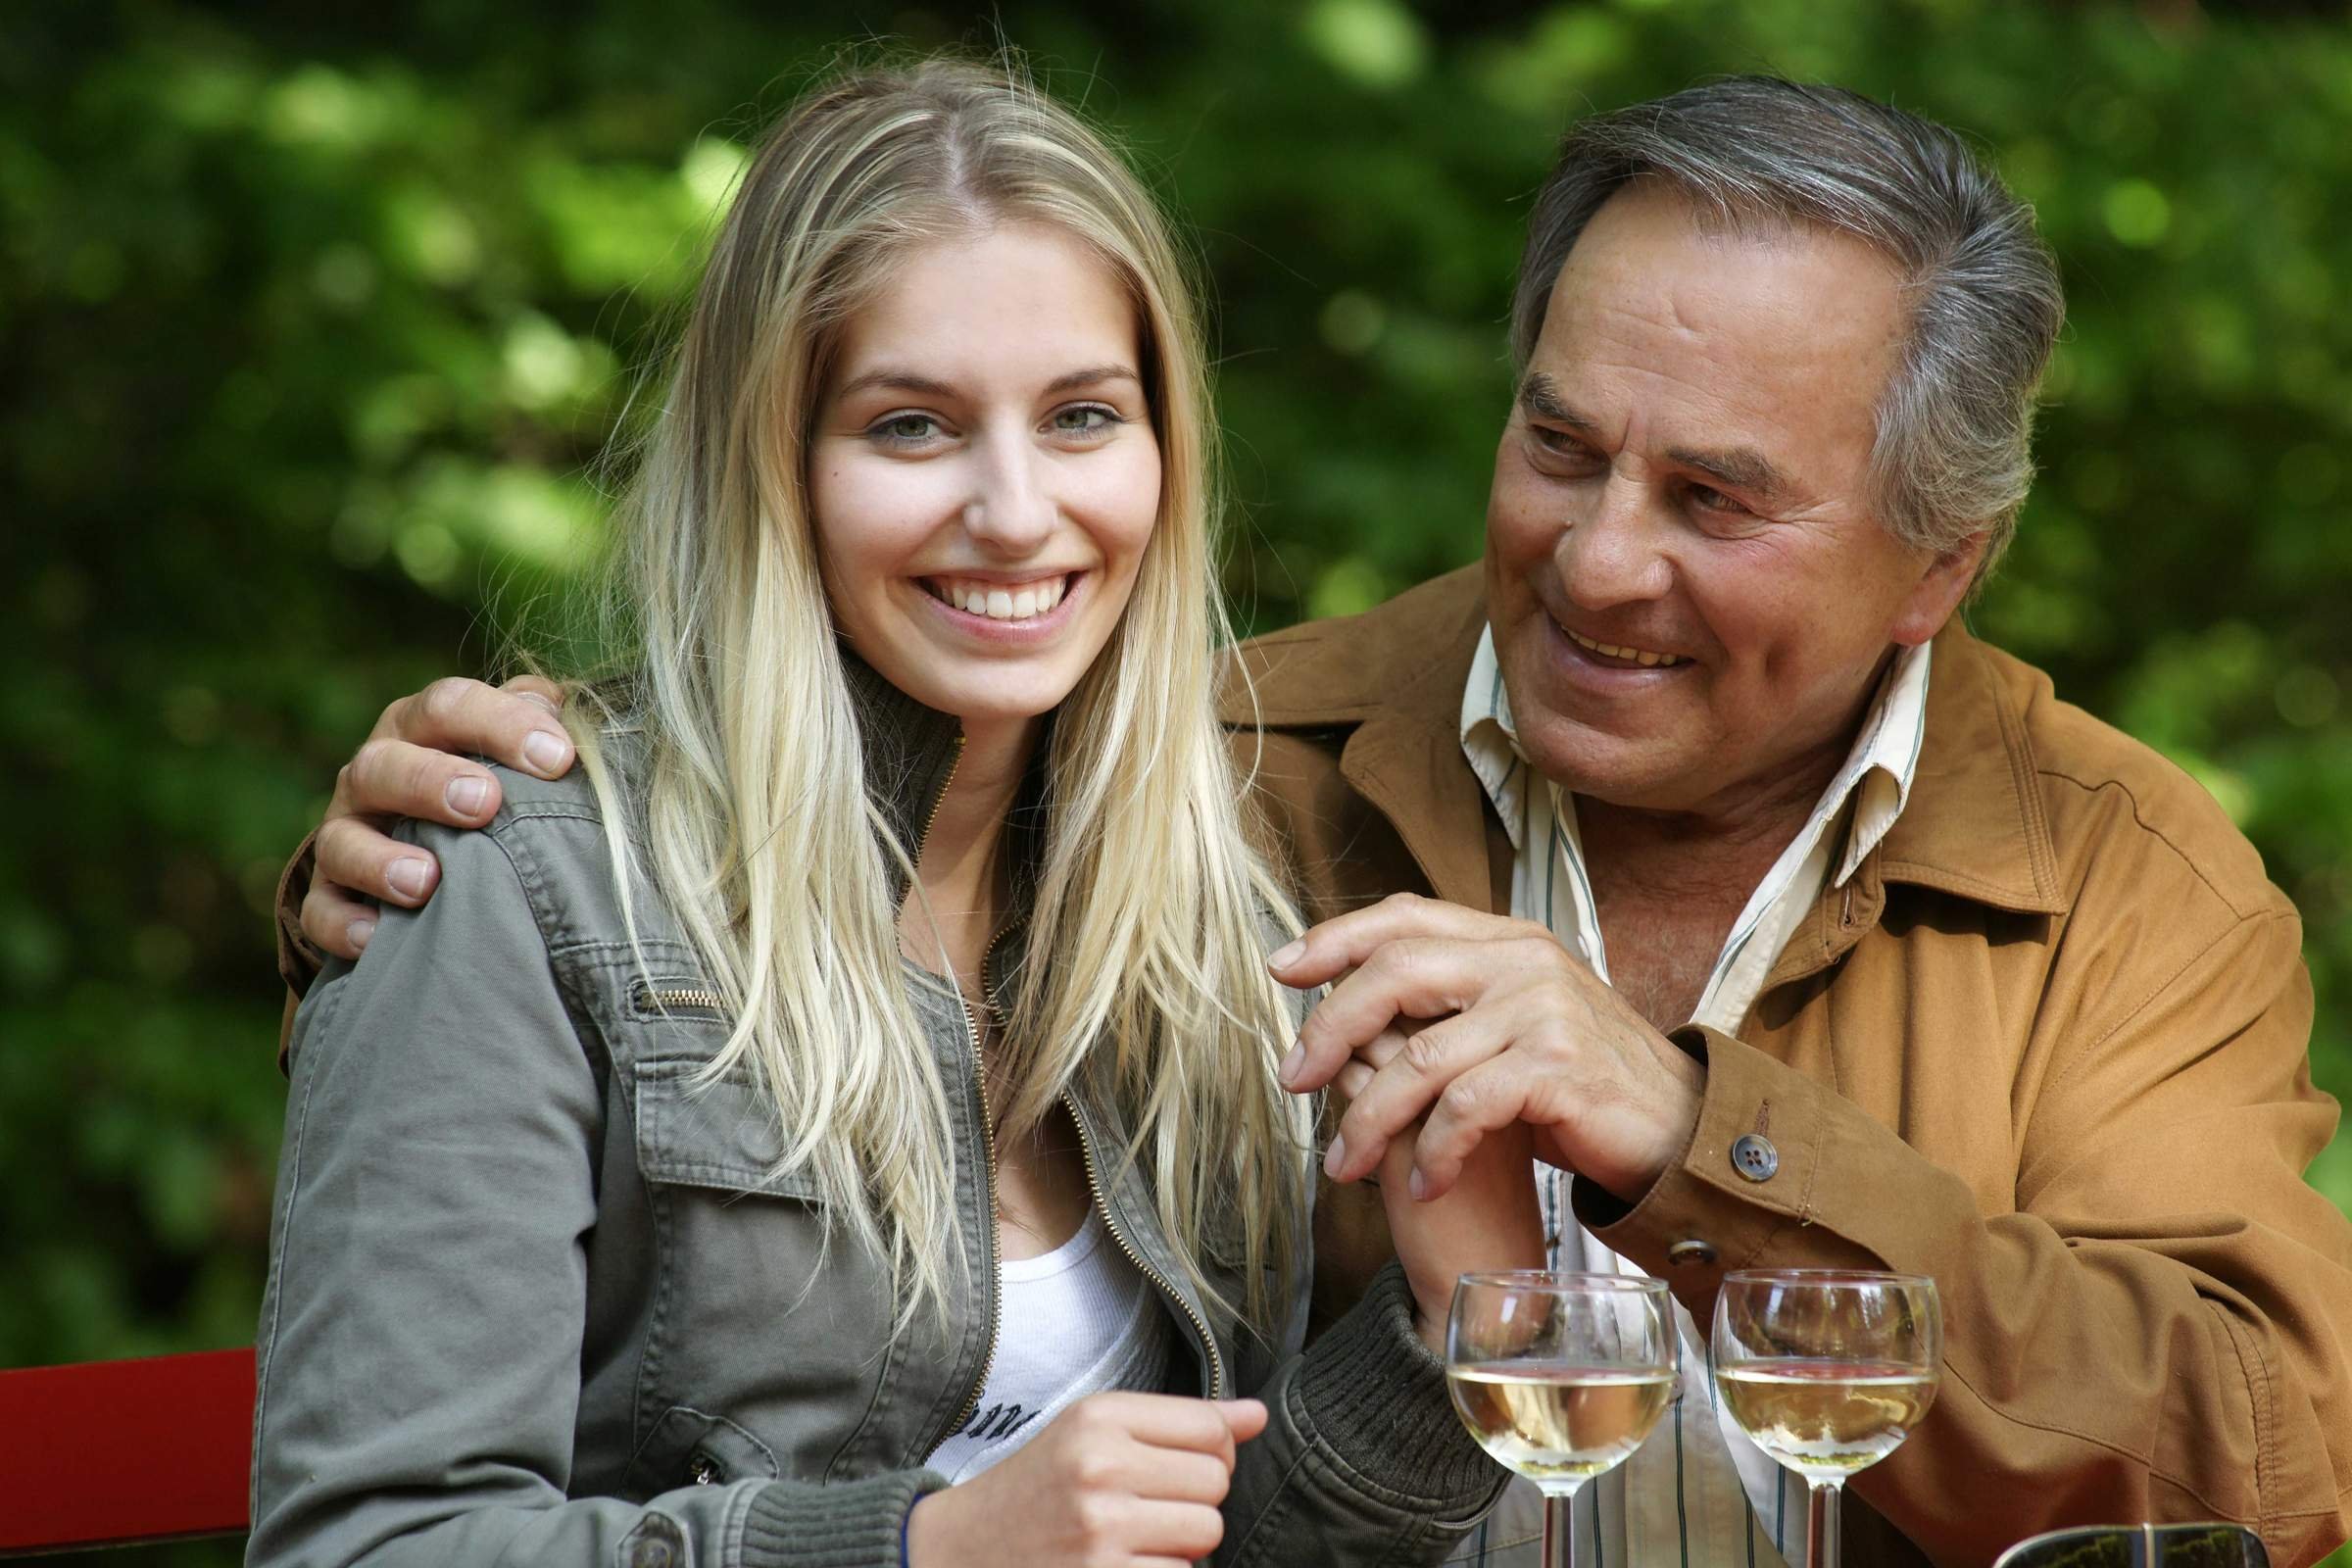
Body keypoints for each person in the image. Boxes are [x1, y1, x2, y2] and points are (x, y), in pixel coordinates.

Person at [276, 77, 2352, 1567]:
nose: (1600, 560)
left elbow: (2265, 1450)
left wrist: (1683, 1133)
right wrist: (411, 888)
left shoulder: (2118, 884)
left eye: (1715, 498)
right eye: (1559, 446)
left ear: (1940, 561)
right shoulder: (1215, 776)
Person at [249, 57, 1543, 1568]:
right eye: (911, 426)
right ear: (772, 464)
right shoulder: (520, 882)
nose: (1012, 510)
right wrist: (919, 1552)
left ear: (1164, 452)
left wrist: (1445, 1346)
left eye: (1080, 416)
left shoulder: (1214, 923)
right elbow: (365, 1549)